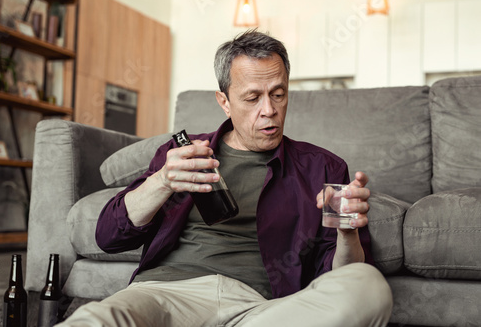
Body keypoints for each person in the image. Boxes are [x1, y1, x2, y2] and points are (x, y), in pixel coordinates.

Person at [59, 30, 392, 327]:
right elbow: (108, 237)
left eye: (278, 94)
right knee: (96, 320)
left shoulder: (323, 168)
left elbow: (339, 277)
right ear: (224, 102)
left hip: (262, 311)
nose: (269, 110)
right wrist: (161, 181)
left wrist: (348, 232)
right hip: (163, 296)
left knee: (368, 285)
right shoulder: (182, 155)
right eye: (252, 98)